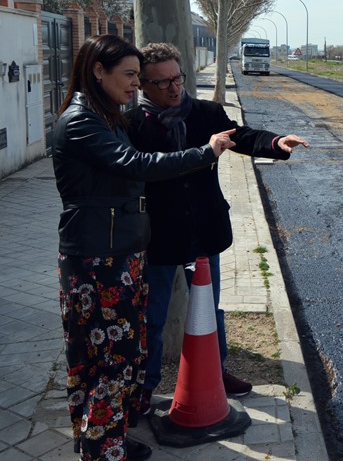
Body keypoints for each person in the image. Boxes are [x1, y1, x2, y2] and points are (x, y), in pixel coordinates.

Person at [52, 34, 236, 461]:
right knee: (110, 355)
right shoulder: (83, 121)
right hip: (100, 257)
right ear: (99, 71)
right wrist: (204, 153)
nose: (136, 85)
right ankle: (103, 449)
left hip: (117, 250)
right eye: (130, 75)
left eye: (138, 76)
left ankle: (99, 433)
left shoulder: (103, 115)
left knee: (107, 353)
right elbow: (137, 165)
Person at [124, 43, 308, 413]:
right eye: (162, 83)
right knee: (152, 315)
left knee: (210, 307)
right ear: (143, 85)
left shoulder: (206, 113)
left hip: (204, 231)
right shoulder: (132, 125)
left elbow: (242, 136)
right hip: (156, 238)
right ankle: (144, 386)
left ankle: (216, 371)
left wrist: (275, 142)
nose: (174, 88)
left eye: (178, 78)